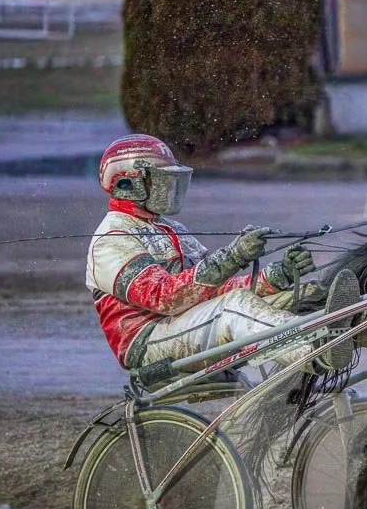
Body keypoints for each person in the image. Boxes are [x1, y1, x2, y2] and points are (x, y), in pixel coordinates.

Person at [86, 134, 341, 374]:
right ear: (128, 183)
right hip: (146, 340)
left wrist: (277, 276)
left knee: (300, 297)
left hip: (183, 321)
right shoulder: (112, 237)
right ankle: (317, 351)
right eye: (159, 180)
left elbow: (210, 289)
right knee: (235, 307)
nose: (169, 188)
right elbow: (166, 298)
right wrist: (233, 256)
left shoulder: (170, 228)